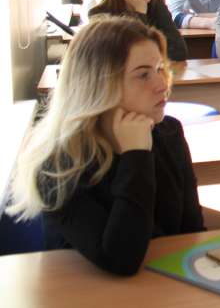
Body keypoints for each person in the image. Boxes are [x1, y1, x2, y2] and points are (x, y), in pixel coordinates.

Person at [6, 17, 204, 275]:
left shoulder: (168, 133)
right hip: (83, 291)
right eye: (143, 74)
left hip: (164, 284)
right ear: (98, 85)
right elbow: (120, 259)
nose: (162, 84)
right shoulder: (57, 164)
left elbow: (192, 233)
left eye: (159, 69)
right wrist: (136, 155)